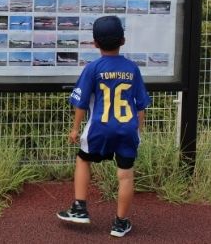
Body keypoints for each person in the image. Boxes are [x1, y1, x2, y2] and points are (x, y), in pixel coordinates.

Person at [56, 15, 151, 238]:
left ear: (95, 43)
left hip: (100, 126)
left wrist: (74, 129)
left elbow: (80, 103)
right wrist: (139, 129)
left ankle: (80, 207)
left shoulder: (93, 68)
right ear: (123, 40)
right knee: (125, 175)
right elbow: (141, 105)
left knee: (83, 159)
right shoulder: (132, 69)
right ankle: (120, 223)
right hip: (128, 128)